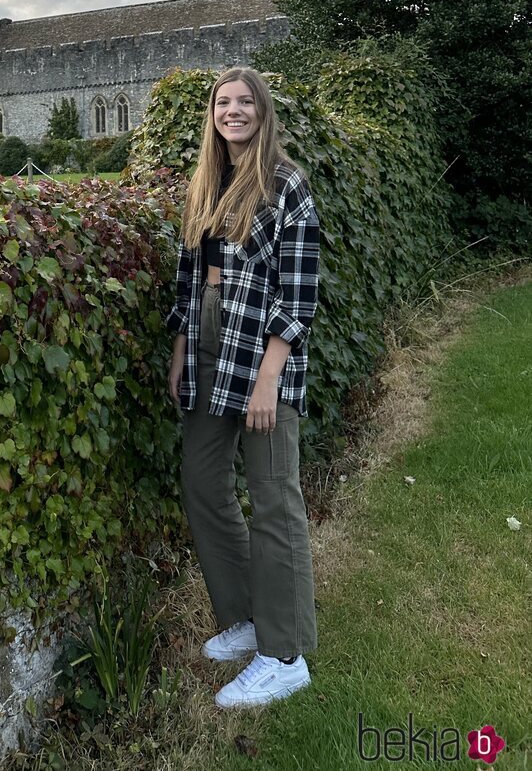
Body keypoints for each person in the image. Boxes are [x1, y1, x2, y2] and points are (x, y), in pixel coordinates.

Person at [166, 66, 320, 708]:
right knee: (203, 481)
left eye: (245, 102)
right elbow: (186, 274)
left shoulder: (288, 185)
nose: (234, 111)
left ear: (263, 111)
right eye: (223, 102)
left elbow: (300, 292)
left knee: (273, 499)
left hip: (261, 354)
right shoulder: (206, 182)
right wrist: (180, 349)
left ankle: (284, 656)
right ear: (212, 114)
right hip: (206, 348)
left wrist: (269, 380)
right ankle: (246, 617)